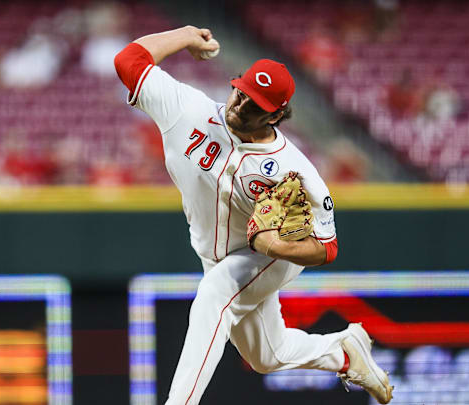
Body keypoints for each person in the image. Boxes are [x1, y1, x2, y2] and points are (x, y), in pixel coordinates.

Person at [114, 26, 393, 404]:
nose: (240, 105)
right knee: (267, 356)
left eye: (255, 104)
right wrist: (186, 35)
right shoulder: (187, 111)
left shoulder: (297, 171)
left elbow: (327, 248)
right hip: (215, 254)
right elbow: (128, 60)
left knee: (215, 294)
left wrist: (278, 245)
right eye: (240, 93)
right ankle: (343, 352)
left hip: (269, 255)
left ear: (277, 114)